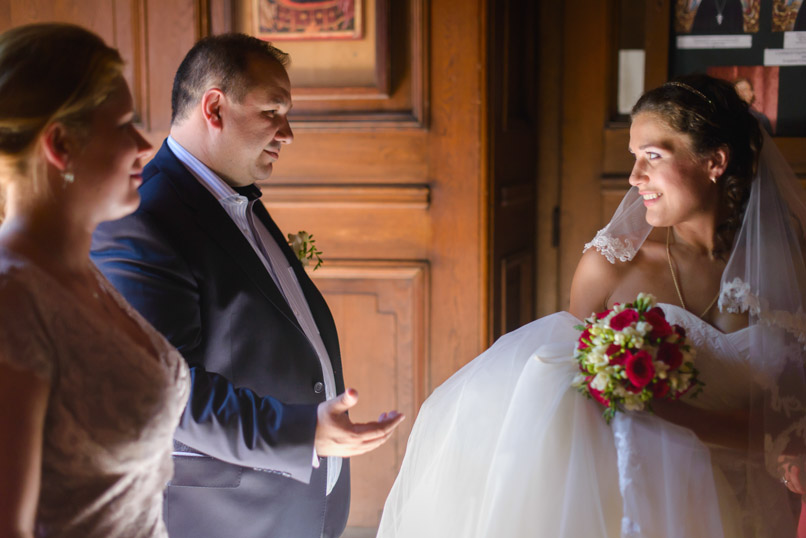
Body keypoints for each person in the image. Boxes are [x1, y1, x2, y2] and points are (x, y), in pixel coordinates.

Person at [377, 74, 806, 537]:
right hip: (651, 506)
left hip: (763, 506)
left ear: (714, 161)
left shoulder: (787, 263)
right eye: (633, 157)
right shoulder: (611, 268)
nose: (635, 177)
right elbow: (567, 407)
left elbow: (792, 408)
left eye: (653, 156)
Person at [91, 33, 405, 538]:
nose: (287, 133)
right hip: (230, 518)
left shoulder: (234, 196)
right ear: (214, 107)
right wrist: (303, 434)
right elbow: (164, 392)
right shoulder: (145, 217)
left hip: (297, 507)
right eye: (272, 112)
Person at [0, 23, 188, 537]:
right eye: (124, 125)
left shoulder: (80, 271)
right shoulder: (13, 302)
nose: (144, 145)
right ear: (60, 144)